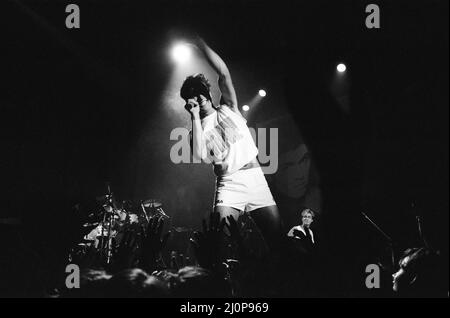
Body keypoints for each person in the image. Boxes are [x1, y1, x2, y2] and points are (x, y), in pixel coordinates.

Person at [180, 36, 282, 250]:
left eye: (199, 93)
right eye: (192, 97)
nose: (198, 98)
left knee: (277, 239)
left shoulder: (228, 107)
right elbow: (199, 155)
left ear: (206, 92)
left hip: (255, 178)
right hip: (229, 184)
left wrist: (200, 44)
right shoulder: (196, 128)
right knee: (220, 240)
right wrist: (194, 116)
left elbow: (223, 73)